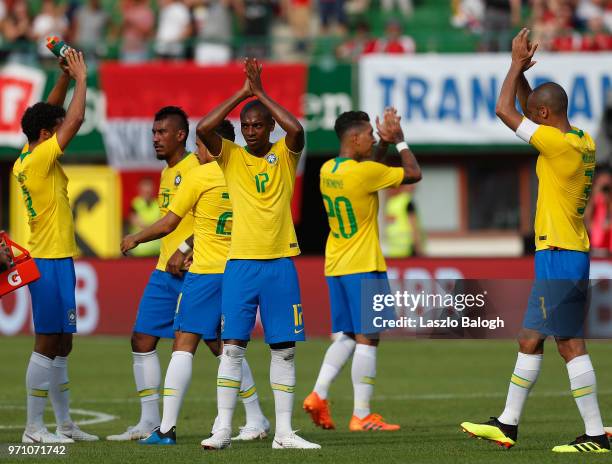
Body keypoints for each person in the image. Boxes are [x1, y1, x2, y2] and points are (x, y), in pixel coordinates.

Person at [461, 29, 609, 453]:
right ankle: (508, 424)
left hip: (560, 254)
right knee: (530, 337)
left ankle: (596, 435)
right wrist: (526, 74)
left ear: (543, 115)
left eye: (536, 114)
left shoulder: (555, 146)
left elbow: (503, 109)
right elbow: (531, 106)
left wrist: (511, 65)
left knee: (569, 343)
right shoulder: (581, 139)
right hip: (565, 253)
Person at [196, 58, 320, 450]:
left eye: (257, 124)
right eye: (245, 125)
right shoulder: (230, 156)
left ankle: (284, 433)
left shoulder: (285, 154)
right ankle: (221, 430)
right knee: (232, 348)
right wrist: (243, 92)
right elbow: (203, 128)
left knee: (283, 350)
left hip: (280, 265)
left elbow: (297, 129)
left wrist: (261, 94)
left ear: (269, 127)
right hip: (240, 266)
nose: (250, 131)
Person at [121, 120, 269, 445]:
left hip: (204, 273)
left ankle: (166, 429)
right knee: (228, 348)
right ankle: (253, 417)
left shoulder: (199, 175)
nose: (196, 152)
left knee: (183, 345)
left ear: (212, 146)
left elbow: (168, 223)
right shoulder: (248, 174)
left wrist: (135, 238)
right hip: (239, 272)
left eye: (200, 146)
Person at [303, 108, 421, 432]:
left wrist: (380, 144)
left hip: (336, 264)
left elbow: (370, 170)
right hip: (363, 264)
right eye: (369, 134)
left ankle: (318, 393)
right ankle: (362, 414)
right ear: (355, 139)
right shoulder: (362, 174)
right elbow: (413, 173)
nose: (373, 137)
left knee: (346, 335)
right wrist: (398, 141)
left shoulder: (329, 169)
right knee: (369, 338)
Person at [14, 50, 98, 443]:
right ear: (48, 135)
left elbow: (46, 114)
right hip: (45, 261)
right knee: (47, 342)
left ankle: (65, 424)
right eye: (57, 127)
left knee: (63, 344)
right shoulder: (38, 161)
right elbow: (76, 118)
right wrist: (82, 78)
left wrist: (62, 77)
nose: (65, 127)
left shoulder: (28, 155)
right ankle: (34, 428)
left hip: (59, 258)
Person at [107, 106, 200, 441]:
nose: (156, 138)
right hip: (164, 270)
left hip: (194, 269)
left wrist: (187, 247)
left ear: (181, 135)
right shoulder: (166, 172)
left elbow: (214, 218)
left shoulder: (196, 168)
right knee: (142, 339)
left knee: (221, 345)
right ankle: (148, 421)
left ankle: (256, 418)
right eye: (153, 132)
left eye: (162, 132)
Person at [128, 177, 161, 258]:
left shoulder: (158, 204)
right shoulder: (135, 204)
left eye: (149, 190)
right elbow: (138, 223)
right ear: (140, 190)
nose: (147, 193)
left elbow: (162, 223)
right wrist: (155, 225)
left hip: (157, 250)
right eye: (145, 191)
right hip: (139, 251)